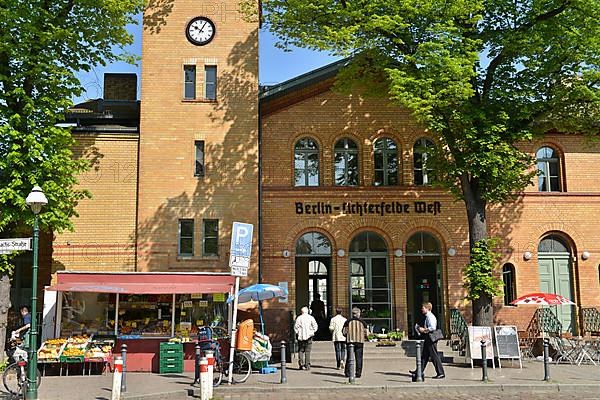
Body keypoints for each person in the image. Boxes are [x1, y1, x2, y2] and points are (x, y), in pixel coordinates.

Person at [412, 302, 445, 379]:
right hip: (428, 337)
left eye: (423, 308)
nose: (421, 309)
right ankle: (419, 371)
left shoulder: (430, 317)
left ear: (427, 308)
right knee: (425, 355)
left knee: (434, 355)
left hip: (431, 337)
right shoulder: (427, 316)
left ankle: (440, 373)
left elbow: (432, 327)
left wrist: (424, 330)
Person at [342, 307, 368, 378]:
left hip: (350, 341)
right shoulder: (363, 322)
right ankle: (358, 373)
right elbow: (366, 333)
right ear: (358, 314)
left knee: (349, 357)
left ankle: (347, 373)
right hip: (360, 342)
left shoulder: (348, 321)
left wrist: (348, 336)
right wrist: (365, 337)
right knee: (359, 358)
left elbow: (344, 332)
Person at [294, 306, 318, 370]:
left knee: (301, 350)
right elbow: (315, 326)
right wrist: (312, 331)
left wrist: (298, 333)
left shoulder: (299, 318)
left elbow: (296, 327)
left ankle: (301, 364)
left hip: (301, 337)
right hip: (309, 336)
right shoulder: (311, 318)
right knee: (308, 351)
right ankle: (307, 365)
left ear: (302, 311)